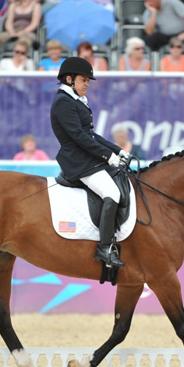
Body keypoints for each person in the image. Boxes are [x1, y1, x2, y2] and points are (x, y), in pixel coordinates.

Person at [50, 57, 128, 269]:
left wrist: (118, 151)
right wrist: (108, 157)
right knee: (112, 193)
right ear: (69, 79)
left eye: (88, 80)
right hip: (78, 161)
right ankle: (104, 248)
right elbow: (78, 136)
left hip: (87, 158)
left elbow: (91, 135)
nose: (87, 84)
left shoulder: (75, 100)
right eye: (84, 80)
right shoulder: (63, 102)